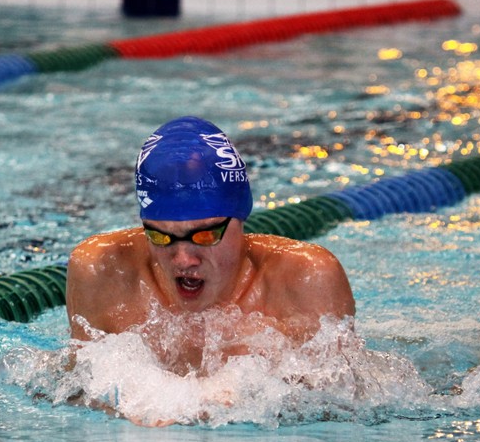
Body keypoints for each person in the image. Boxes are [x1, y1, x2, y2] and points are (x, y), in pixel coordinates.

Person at [65, 116, 355, 374]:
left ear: (239, 220)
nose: (183, 260)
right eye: (160, 236)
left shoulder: (304, 280)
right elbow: (75, 389)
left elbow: (343, 399)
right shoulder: (103, 271)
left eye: (203, 236)